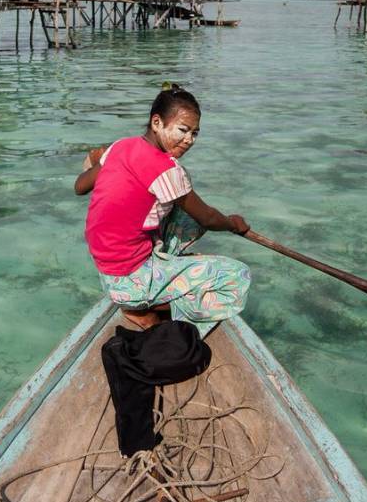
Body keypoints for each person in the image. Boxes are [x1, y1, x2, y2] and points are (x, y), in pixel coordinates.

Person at [75, 84, 251, 335]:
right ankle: (150, 308)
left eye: (195, 133)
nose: (189, 140)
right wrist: (234, 223)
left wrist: (97, 161)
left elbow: (80, 187)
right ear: (156, 122)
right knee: (238, 276)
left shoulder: (119, 147)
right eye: (183, 130)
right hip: (130, 283)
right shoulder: (168, 171)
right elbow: (209, 218)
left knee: (183, 211)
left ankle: (158, 275)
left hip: (107, 271)